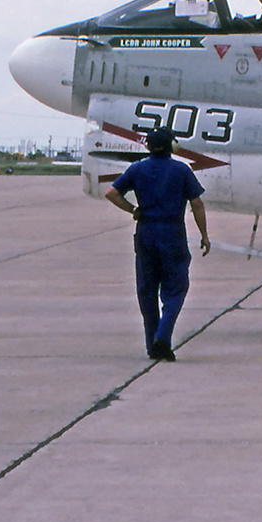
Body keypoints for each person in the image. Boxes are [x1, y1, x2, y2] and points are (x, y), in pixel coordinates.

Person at [105, 129, 211, 361]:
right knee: (176, 288)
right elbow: (197, 203)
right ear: (172, 145)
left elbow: (111, 193)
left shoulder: (137, 168)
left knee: (147, 290)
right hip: (172, 233)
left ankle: (152, 343)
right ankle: (163, 336)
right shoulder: (182, 170)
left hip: (146, 232)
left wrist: (133, 210)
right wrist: (204, 234)